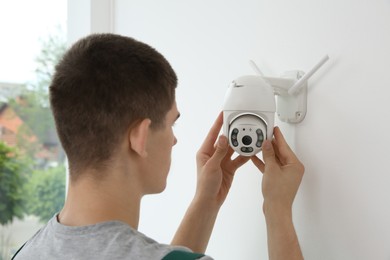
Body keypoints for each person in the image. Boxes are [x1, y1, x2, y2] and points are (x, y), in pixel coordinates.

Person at [12, 33, 304, 260]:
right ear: (139, 136)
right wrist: (277, 210)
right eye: (171, 123)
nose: (174, 139)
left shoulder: (26, 252)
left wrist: (205, 201)